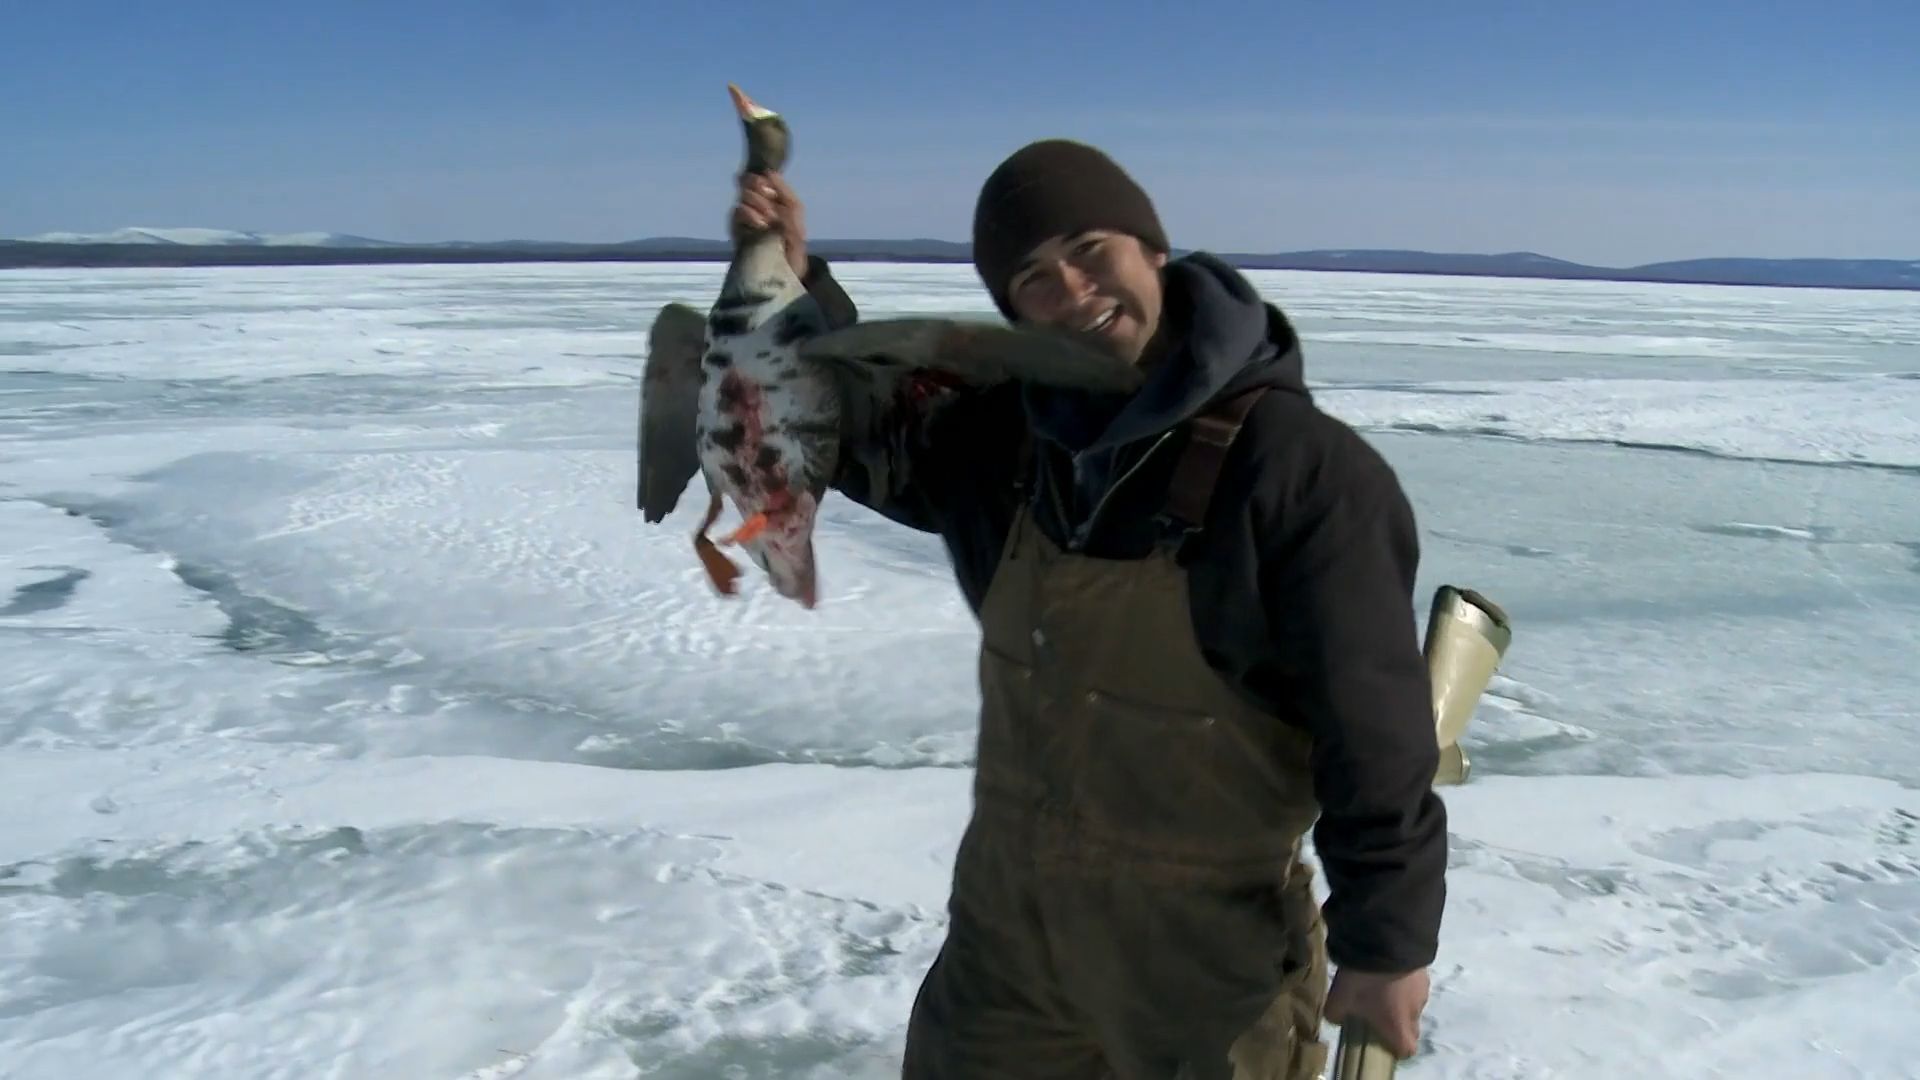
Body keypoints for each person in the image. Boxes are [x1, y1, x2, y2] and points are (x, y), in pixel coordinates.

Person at [731, 139, 1447, 1078]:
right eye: (1031, 275)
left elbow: (1376, 731)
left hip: (1200, 969)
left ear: (1153, 249)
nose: (1069, 290)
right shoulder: (1001, 439)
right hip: (1006, 943)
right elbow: (861, 418)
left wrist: (1387, 941)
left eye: (1091, 250)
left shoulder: (1301, 472)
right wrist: (787, 276)